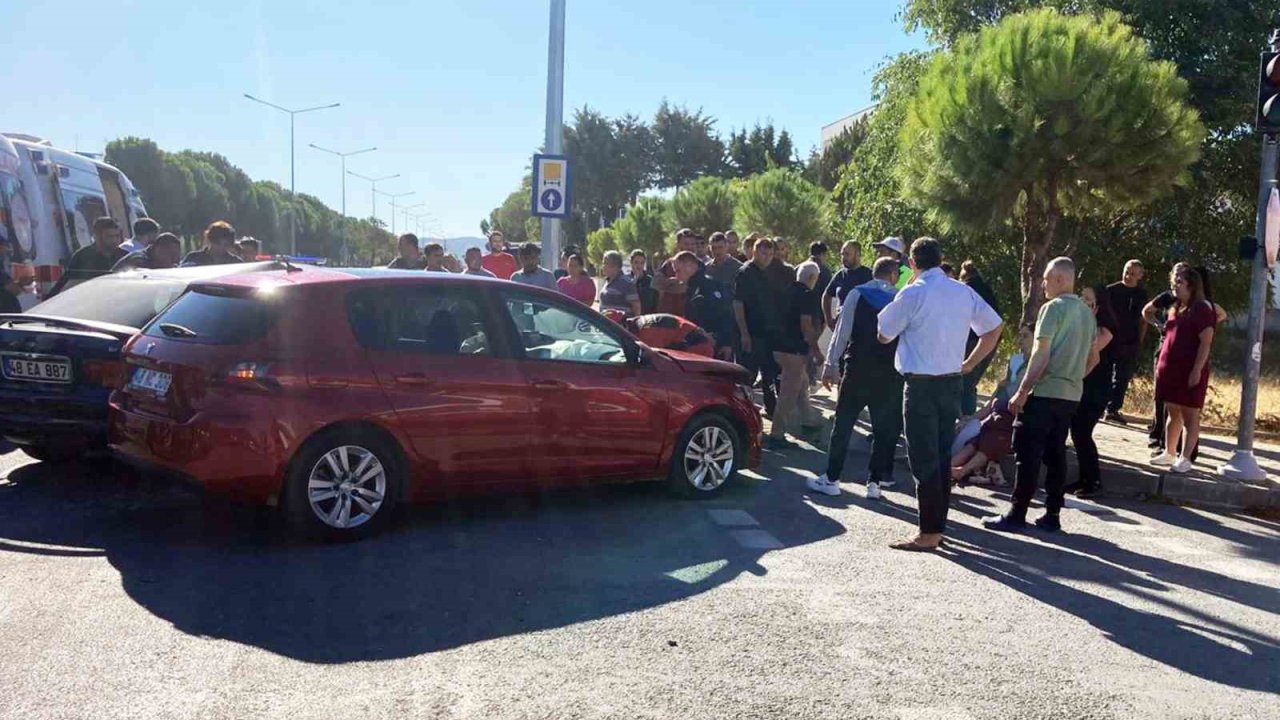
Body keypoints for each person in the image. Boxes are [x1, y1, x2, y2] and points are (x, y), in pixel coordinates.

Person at [877, 237, 1003, 551]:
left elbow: (883, 334)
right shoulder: (963, 291)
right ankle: (937, 526)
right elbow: (993, 328)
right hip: (951, 383)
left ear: (913, 263)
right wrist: (969, 364)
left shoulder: (913, 292)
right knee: (941, 454)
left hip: (920, 385)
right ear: (940, 258)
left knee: (923, 459)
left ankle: (929, 532)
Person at [985, 257, 1097, 534]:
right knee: (1056, 453)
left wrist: (1022, 390)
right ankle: (1052, 514)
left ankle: (1017, 513)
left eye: (1047, 279)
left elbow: (1041, 353)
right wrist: (1073, 377)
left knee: (1027, 453)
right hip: (1071, 395)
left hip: (1045, 392)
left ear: (1060, 279)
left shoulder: (1052, 308)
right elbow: (1094, 358)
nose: (1043, 284)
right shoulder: (1086, 313)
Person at [808, 257, 903, 498]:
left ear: (874, 273)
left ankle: (831, 478)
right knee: (883, 429)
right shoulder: (900, 299)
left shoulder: (856, 294)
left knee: (843, 425)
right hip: (889, 373)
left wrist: (830, 365)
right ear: (893, 276)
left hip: (858, 368)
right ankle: (874, 483)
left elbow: (842, 332)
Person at [1143, 264, 1227, 455]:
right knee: (1172, 411)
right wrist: (1159, 326)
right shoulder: (1175, 306)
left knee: (1190, 413)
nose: (1175, 284)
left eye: (1179, 281)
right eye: (1174, 279)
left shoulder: (1203, 308)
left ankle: (1187, 457)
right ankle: (1169, 452)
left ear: (1191, 285)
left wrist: (1196, 370)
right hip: (1170, 367)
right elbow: (1149, 313)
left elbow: (1206, 341)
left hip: (1188, 368)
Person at [950, 326, 1034, 486]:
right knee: (974, 438)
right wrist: (970, 418)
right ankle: (947, 468)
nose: (1020, 340)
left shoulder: (1035, 367)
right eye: (1020, 335)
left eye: (1025, 336)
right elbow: (992, 403)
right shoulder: (1016, 362)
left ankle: (962, 470)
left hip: (1012, 416)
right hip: (997, 415)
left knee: (990, 437)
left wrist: (1008, 386)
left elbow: (1014, 393)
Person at [1064, 284, 1117, 498]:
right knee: (1076, 432)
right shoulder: (1082, 321)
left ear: (1098, 304)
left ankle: (1094, 481)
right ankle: (1084, 478)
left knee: (1083, 432)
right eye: (1081, 296)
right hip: (1081, 385)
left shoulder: (1105, 329)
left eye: (1087, 298)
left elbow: (1090, 351)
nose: (1082, 300)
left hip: (1096, 388)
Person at [767, 261, 825, 448]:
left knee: (802, 383)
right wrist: (816, 350)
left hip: (776, 346)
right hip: (794, 349)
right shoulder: (807, 296)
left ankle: (808, 419)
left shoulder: (783, 292)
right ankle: (776, 434)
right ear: (811, 278)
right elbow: (806, 325)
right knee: (787, 394)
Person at [735, 237, 783, 418]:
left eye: (770, 254)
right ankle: (743, 410)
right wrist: (744, 333)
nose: (767, 257)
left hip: (768, 333)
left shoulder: (770, 272)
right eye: (764, 253)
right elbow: (738, 303)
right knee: (748, 375)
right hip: (752, 332)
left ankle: (770, 409)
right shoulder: (746, 272)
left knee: (769, 373)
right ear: (755, 252)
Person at [1104, 259, 1147, 424]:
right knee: (1104, 374)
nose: (1129, 276)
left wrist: (1139, 340)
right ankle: (1099, 405)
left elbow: (1143, 320)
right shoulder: (1111, 291)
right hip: (1109, 338)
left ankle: (1113, 409)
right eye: (1127, 272)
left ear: (1140, 276)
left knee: (1123, 376)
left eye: (1133, 274)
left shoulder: (1141, 295)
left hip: (1129, 341)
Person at [673, 251, 735, 360]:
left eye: (678, 271)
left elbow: (726, 315)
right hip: (698, 345)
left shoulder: (709, 287)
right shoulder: (691, 289)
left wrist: (726, 343)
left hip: (716, 346)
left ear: (690, 266)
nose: (676, 276)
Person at [959, 260, 1003, 415]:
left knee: (966, 380)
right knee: (969, 381)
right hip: (990, 340)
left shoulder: (967, 289)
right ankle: (966, 415)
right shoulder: (985, 289)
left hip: (974, 339)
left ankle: (966, 416)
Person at [50, 217, 128, 294]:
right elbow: (62, 286)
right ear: (97, 236)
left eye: (117, 236)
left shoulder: (125, 256)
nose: (114, 241)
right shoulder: (82, 257)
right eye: (110, 236)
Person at [823, 240, 873, 331]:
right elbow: (826, 296)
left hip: (862, 328)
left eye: (847, 254)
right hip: (841, 326)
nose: (843, 258)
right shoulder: (840, 275)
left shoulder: (869, 275)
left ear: (857, 254)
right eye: (842, 254)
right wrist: (829, 320)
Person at [621, 313, 714, 357]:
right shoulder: (641, 323)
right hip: (695, 345)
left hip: (698, 352)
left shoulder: (647, 333)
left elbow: (654, 361)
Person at [654, 228, 697, 315]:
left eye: (692, 244)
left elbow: (694, 288)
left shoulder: (700, 265)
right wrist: (670, 282)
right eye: (686, 244)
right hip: (670, 315)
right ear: (678, 245)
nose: (690, 247)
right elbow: (655, 284)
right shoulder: (669, 264)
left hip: (692, 314)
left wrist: (679, 286)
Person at [598, 250, 642, 317]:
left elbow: (636, 306)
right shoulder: (607, 282)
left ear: (615, 266)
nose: (603, 266)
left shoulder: (626, 283)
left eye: (606, 263)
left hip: (620, 325)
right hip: (606, 324)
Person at [113, 232, 183, 271]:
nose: (173, 260)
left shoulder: (152, 258)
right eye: (171, 255)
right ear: (157, 249)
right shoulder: (138, 259)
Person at [706, 232, 743, 296]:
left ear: (726, 246)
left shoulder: (738, 267)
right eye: (713, 248)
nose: (717, 251)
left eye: (720, 247)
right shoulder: (706, 268)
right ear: (709, 248)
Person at [0, 237, 30, 313]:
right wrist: (22, 283)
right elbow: (10, 289)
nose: (5, 250)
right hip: (6, 315)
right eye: (4, 247)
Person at [629, 249, 658, 314]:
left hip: (647, 318)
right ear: (631, 262)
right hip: (629, 317)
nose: (639, 266)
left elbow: (655, 303)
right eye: (636, 262)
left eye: (642, 263)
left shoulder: (650, 281)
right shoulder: (625, 280)